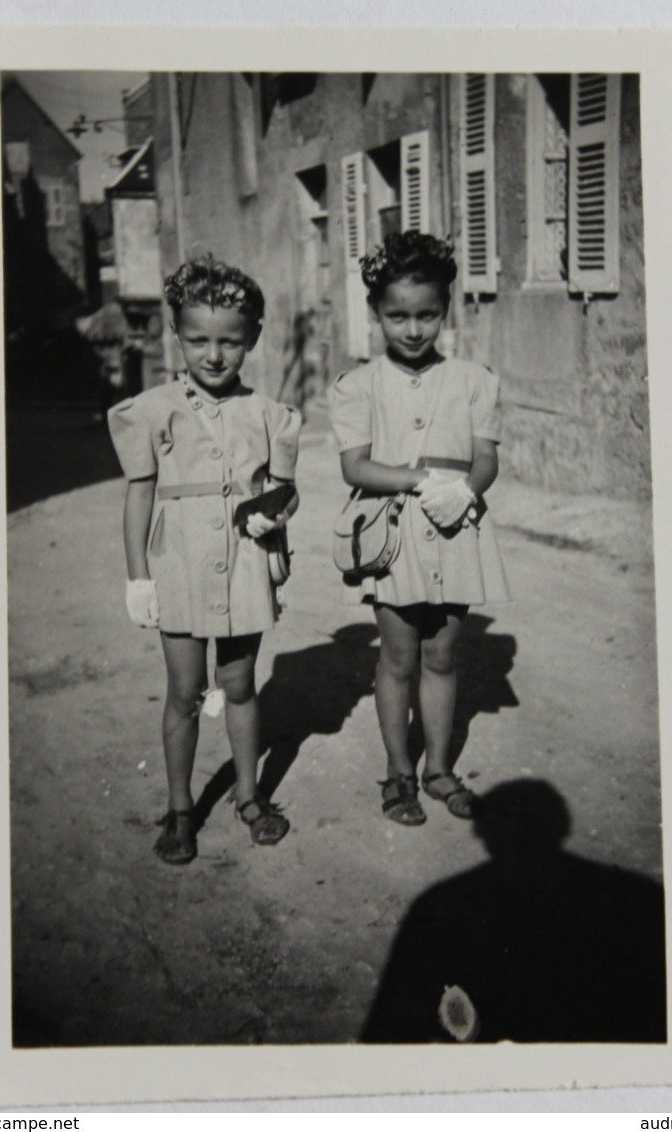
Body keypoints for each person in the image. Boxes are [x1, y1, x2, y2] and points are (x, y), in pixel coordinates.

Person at [108, 255, 301, 865]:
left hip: (245, 560)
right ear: (177, 336)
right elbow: (139, 494)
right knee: (186, 690)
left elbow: (284, 488)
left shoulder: (269, 415)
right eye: (197, 340)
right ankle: (181, 806)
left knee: (240, 684)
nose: (213, 355)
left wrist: (278, 513)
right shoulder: (152, 407)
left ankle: (248, 796)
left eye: (228, 341)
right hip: (180, 562)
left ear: (252, 340)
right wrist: (138, 576)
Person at [328, 231, 511, 827]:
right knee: (399, 656)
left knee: (443, 652)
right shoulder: (357, 387)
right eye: (397, 316)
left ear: (446, 309)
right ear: (376, 313)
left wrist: (465, 490)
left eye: (427, 315)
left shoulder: (475, 381)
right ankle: (398, 771)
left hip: (457, 524)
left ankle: (439, 770)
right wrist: (416, 480)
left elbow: (486, 457)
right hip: (395, 529)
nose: (413, 330)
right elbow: (354, 466)